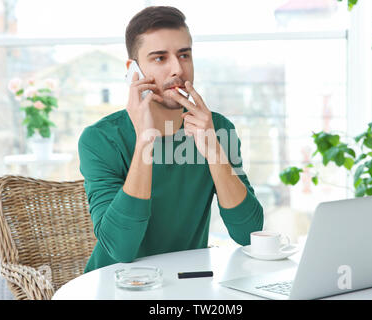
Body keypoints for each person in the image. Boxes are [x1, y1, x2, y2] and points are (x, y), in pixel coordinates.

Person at [78, 6, 264, 273]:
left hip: (186, 283)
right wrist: (144, 141)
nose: (177, 69)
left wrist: (212, 148)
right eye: (159, 58)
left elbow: (249, 233)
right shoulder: (100, 139)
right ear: (134, 71)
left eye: (184, 55)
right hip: (116, 284)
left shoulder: (218, 128)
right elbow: (120, 248)